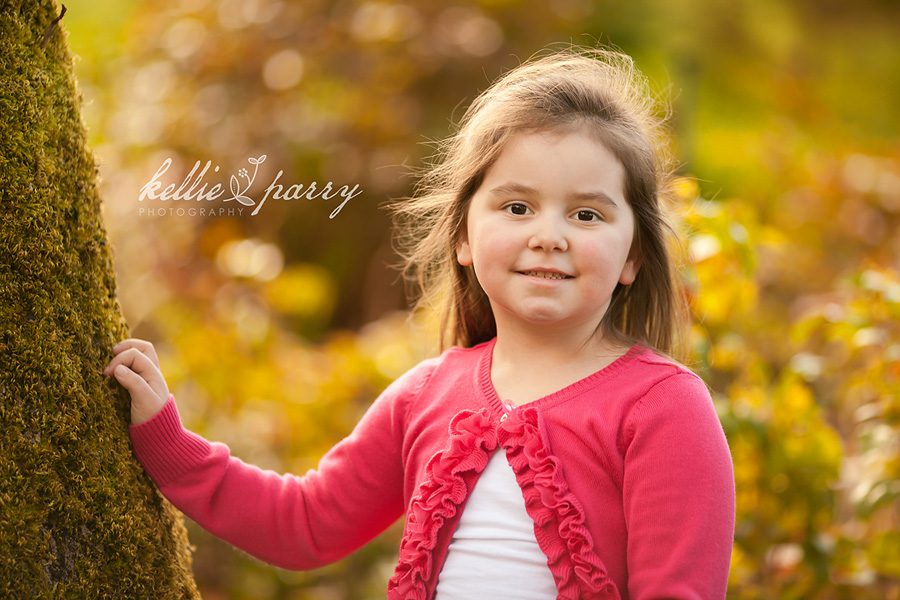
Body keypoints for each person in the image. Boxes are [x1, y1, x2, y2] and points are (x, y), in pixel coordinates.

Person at [104, 46, 735, 599]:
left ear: (633, 256)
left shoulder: (662, 409)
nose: (549, 237)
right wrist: (167, 441)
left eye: (587, 216)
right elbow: (303, 523)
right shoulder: (425, 394)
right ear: (463, 236)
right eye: (518, 206)